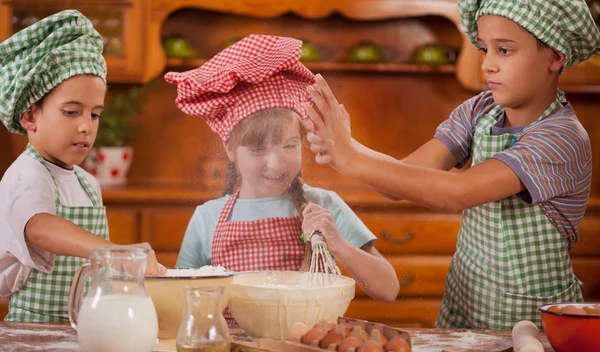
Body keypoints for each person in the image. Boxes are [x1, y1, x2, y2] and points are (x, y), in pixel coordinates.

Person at [303, 0, 600, 329]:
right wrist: (342, 150)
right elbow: (402, 181)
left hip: (527, 318)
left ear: (556, 56)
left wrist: (351, 154)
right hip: (466, 301)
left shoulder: (561, 138)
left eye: (504, 50)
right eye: (485, 49)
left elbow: (457, 192)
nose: (487, 65)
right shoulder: (480, 111)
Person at [165, 34, 399, 316]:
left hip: (307, 350)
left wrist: (338, 244)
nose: (275, 164)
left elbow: (388, 289)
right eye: (258, 150)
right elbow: (177, 300)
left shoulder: (324, 206)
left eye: (289, 146)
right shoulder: (208, 218)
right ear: (230, 149)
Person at [0, 10, 166, 322]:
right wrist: (115, 252)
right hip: (35, 333)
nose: (86, 127)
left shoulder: (88, 184)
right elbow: (39, 228)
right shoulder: (27, 174)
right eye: (71, 112)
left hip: (84, 324)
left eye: (94, 114)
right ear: (30, 117)